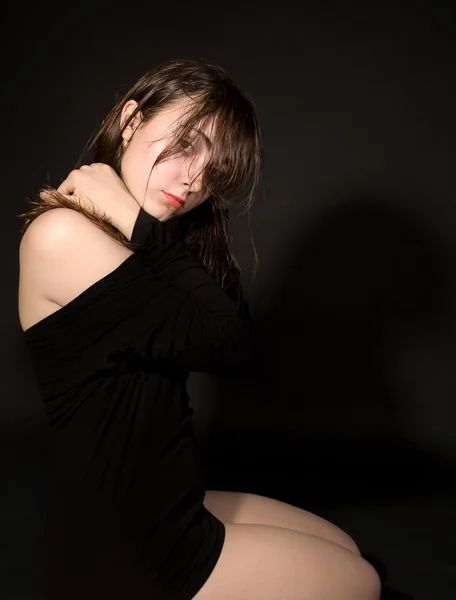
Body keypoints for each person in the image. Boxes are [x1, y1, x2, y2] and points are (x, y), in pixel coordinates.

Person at [18, 58, 381, 600]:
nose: (193, 180)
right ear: (132, 120)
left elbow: (242, 337)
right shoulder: (63, 235)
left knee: (346, 548)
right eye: (186, 145)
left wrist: (161, 225)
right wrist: (141, 222)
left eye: (215, 170)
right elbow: (226, 347)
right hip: (127, 544)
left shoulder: (150, 241)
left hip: (169, 497)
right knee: (363, 583)